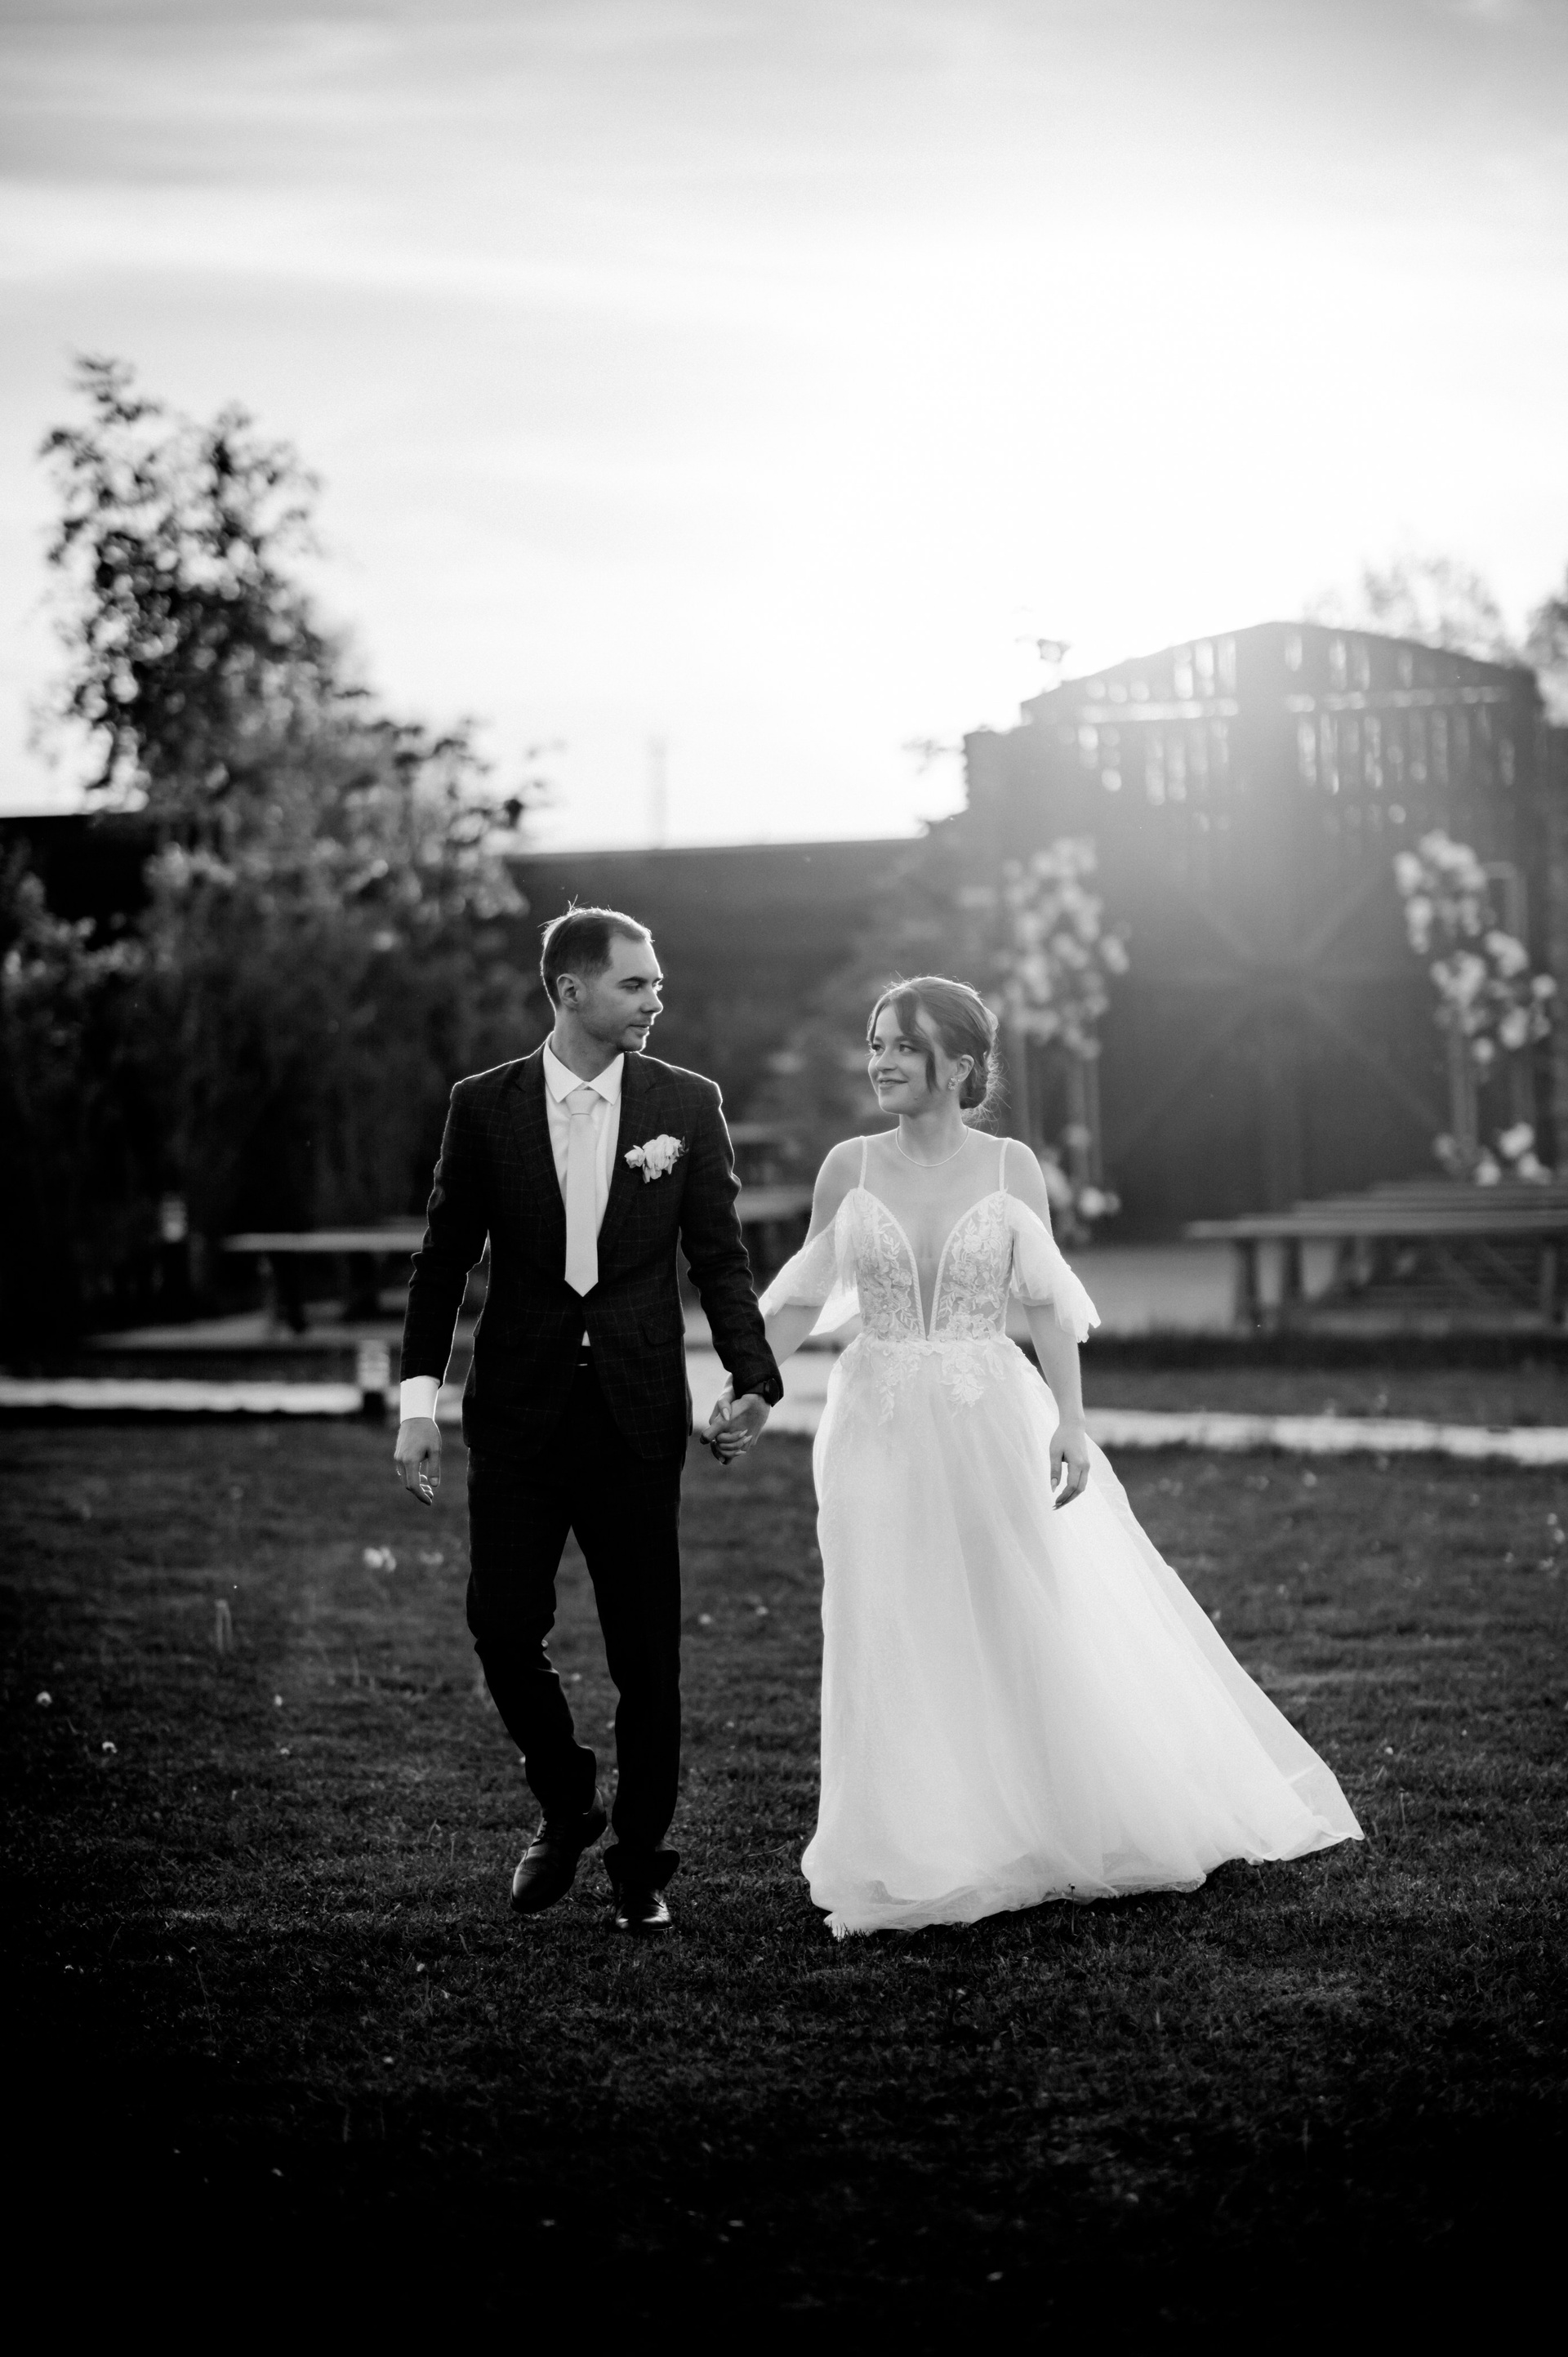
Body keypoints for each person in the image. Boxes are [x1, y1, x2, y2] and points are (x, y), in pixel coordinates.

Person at [732, 974, 1361, 1937]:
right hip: (876, 1421)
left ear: (959, 1067)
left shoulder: (1011, 1168)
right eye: (876, 1044)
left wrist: (1071, 1420)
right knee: (884, 1613)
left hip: (990, 1415)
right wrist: (755, 1388)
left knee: (1010, 1607)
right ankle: (913, 1841)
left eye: (903, 1046)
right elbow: (808, 1296)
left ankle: (1038, 1820)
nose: (881, 1062)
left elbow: (1044, 1300)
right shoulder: (847, 1168)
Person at [394, 907, 782, 1936]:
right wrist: (417, 1405)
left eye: (656, 983)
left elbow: (720, 1258)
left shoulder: (685, 1104)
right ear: (571, 991)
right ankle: (567, 1801)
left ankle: (641, 1864)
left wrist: (753, 1378)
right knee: (500, 1627)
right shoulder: (484, 1106)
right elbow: (442, 1264)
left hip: (635, 1417)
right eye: (635, 984)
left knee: (646, 1654)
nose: (657, 999)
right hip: (517, 1416)